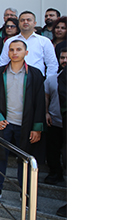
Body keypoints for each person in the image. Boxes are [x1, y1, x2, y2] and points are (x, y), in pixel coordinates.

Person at [0, 40, 46, 201]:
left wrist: (37, 127)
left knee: (24, 161)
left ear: (26, 53)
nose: (14, 52)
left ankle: (25, 194)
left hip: (25, 124)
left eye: (19, 49)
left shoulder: (34, 74)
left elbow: (40, 102)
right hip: (5, 123)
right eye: (11, 50)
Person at [0, 11, 60, 79]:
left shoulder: (44, 41)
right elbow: (3, 62)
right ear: (19, 24)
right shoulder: (10, 41)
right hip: (14, 79)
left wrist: (48, 81)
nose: (25, 22)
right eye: (22, 20)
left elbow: (52, 64)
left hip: (37, 79)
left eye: (29, 20)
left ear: (34, 23)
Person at [43, 46, 67, 185]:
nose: (65, 60)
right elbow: (46, 97)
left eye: (68, 57)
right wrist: (46, 112)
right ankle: (55, 173)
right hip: (55, 120)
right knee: (53, 149)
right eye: (63, 57)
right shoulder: (52, 79)